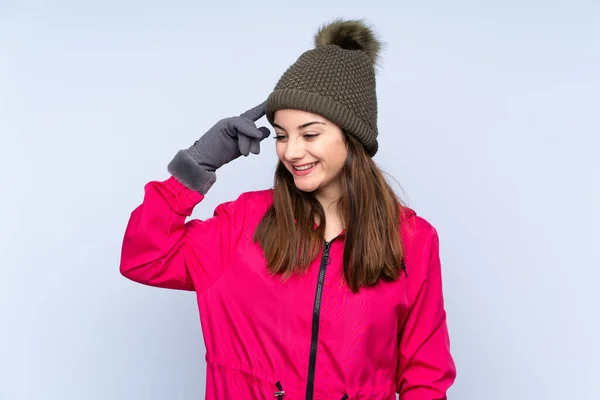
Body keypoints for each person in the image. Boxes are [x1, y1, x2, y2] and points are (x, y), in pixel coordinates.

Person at [120, 18, 456, 400]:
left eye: (309, 134)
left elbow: (425, 375)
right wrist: (196, 165)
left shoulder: (413, 239)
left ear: (353, 138)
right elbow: (144, 258)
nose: (291, 152)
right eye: (281, 135)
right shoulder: (242, 223)